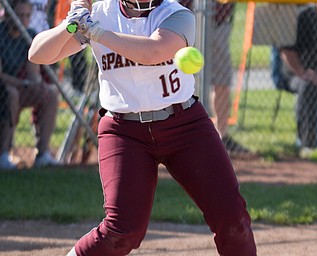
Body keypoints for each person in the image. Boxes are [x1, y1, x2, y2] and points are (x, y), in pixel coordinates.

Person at [29, 0, 257, 255]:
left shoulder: (176, 14)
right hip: (123, 131)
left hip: (185, 126)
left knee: (233, 220)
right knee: (121, 232)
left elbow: (153, 53)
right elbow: (38, 54)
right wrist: (71, 26)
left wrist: (96, 32)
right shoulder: (101, 14)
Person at [180, 0, 250, 154]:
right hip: (187, 18)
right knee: (180, 81)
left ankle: (222, 137)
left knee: (222, 80)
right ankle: (184, 136)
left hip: (218, 21)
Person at [0, 0, 59, 169]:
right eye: (19, 15)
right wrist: (24, 83)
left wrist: (37, 84)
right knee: (12, 94)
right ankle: (3, 154)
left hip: (19, 86)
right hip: (5, 87)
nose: (24, 20)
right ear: (9, 15)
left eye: (27, 15)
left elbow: (33, 73)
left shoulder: (30, 35)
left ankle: (42, 154)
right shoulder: (1, 34)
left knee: (51, 94)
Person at [279, 3, 317, 151]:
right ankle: (307, 143)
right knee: (307, 86)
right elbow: (287, 52)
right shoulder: (303, 18)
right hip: (298, 75)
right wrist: (303, 73)